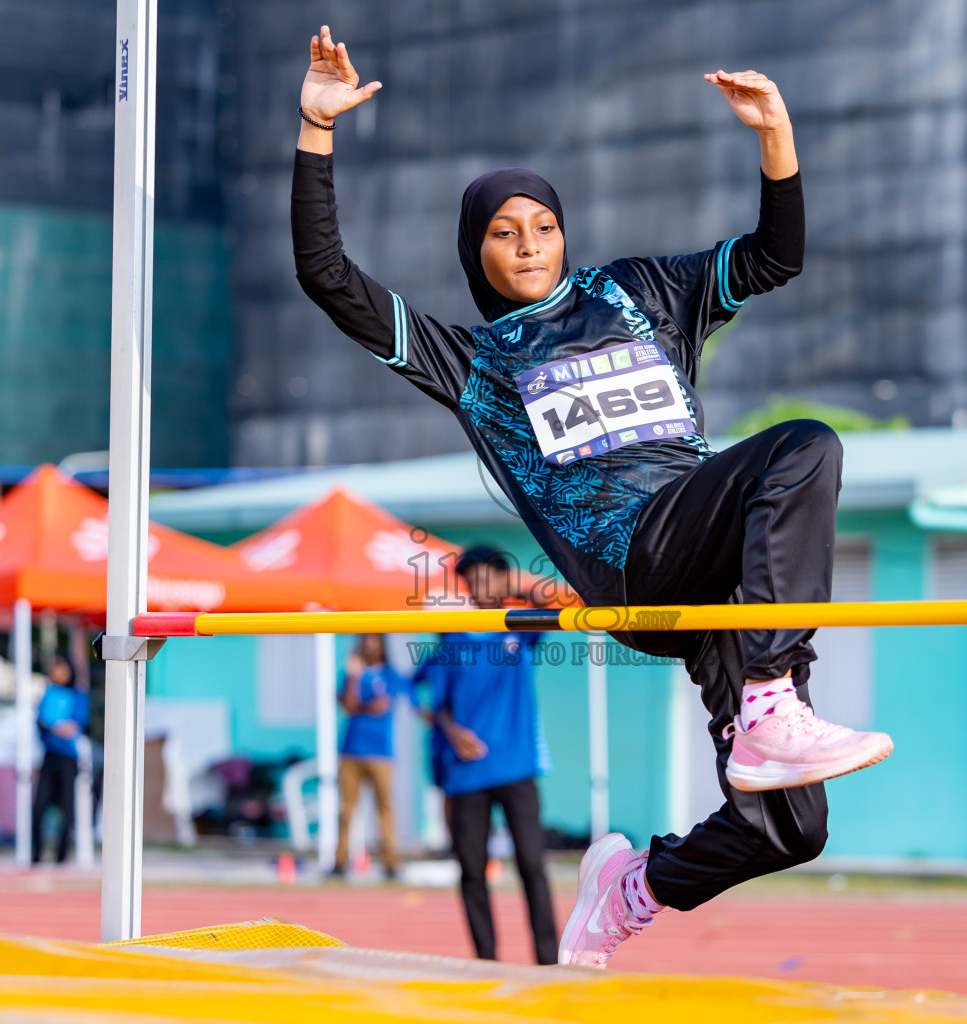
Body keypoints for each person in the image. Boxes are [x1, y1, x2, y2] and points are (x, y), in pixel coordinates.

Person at [291, 26, 894, 967]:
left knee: (791, 832)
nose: (527, 245)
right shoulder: (473, 362)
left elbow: (777, 256)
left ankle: (630, 889)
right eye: (503, 232)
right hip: (635, 560)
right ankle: (774, 700)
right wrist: (315, 133)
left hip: (725, 586)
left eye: (542, 226)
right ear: (474, 251)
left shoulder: (643, 293)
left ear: (565, 233)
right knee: (805, 448)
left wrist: (775, 133)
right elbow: (328, 278)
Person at [417, 546, 556, 965]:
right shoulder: (452, 636)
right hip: (466, 774)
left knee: (532, 864)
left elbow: (556, 600)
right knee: (472, 870)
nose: (479, 587)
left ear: (503, 580)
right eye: (471, 580)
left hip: (517, 767)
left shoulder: (519, 627)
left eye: (486, 577)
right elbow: (435, 702)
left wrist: (515, 583)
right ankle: (485, 959)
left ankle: (549, 961)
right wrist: (453, 733)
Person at [335, 633, 407, 879]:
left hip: (380, 753)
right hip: (350, 751)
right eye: (365, 640)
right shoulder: (352, 674)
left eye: (374, 640)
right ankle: (340, 860)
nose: (369, 644)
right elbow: (350, 706)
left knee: (385, 808)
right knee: (346, 810)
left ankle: (390, 862)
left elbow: (380, 707)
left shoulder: (390, 674)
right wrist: (354, 677)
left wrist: (361, 708)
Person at [31, 655, 88, 865]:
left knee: (66, 808)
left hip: (68, 758)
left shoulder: (78, 696)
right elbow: (41, 722)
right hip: (49, 756)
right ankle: (36, 855)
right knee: (39, 808)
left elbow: (76, 726)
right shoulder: (48, 693)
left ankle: (61, 856)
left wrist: (55, 726)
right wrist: (56, 727)